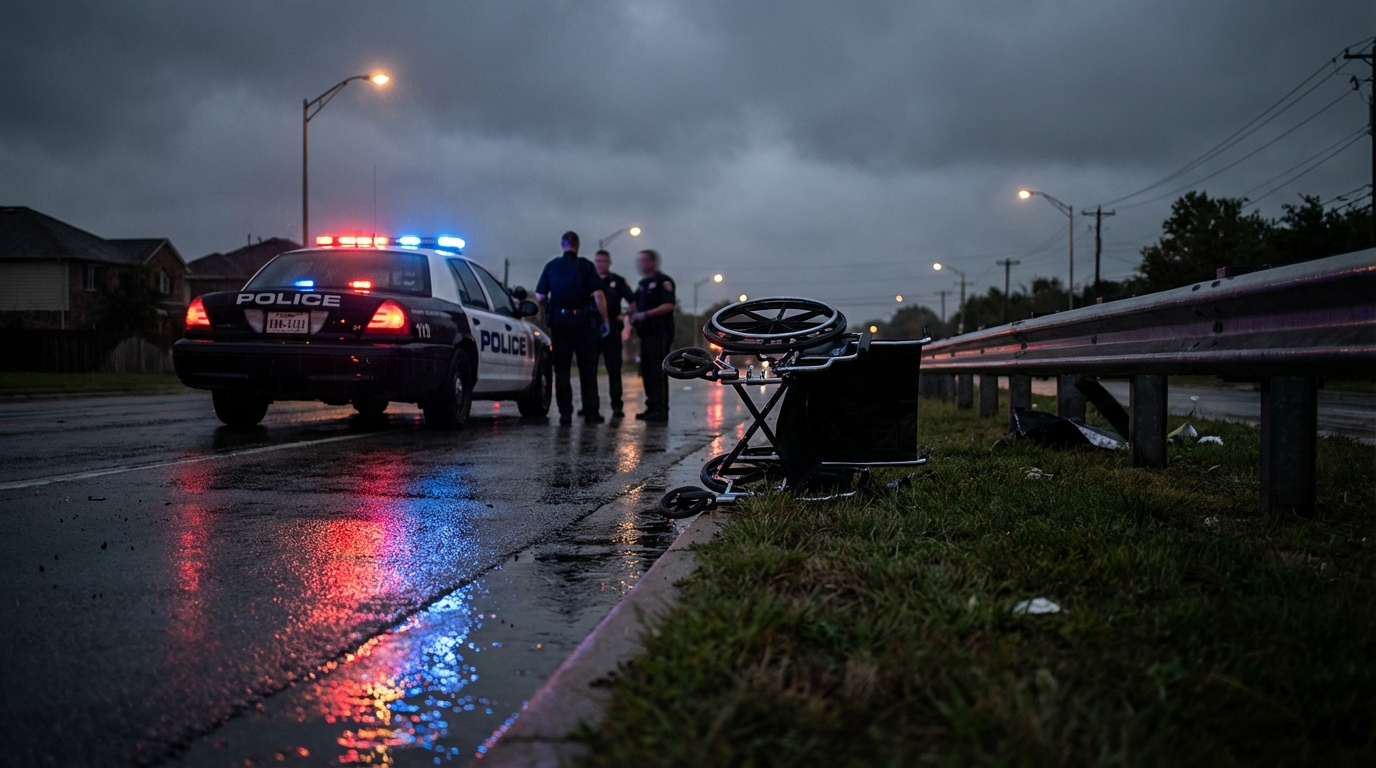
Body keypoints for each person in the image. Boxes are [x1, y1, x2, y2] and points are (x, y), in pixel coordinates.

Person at [535, 231, 609, 425]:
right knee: (587, 369)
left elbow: (540, 295)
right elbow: (598, 295)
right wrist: (605, 320)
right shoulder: (586, 266)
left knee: (562, 370)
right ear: (578, 245)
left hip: (560, 323)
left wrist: (547, 311)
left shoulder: (552, 266)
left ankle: (565, 414)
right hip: (583, 323)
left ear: (563, 245)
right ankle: (591, 412)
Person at [630, 249, 676, 422]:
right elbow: (635, 303)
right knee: (647, 371)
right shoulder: (643, 284)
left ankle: (661, 409)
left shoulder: (663, 281)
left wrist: (647, 314)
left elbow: (669, 305)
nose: (640, 264)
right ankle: (651, 407)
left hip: (660, 331)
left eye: (643, 260)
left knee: (658, 370)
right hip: (645, 333)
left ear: (652, 262)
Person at [592, 249, 636, 419]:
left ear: (609, 263)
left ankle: (617, 405)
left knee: (614, 368)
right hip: (592, 327)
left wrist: (626, 314)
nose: (601, 264)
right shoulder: (589, 279)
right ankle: (591, 407)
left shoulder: (616, 281)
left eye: (603, 261)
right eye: (598, 261)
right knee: (589, 369)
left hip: (612, 327)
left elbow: (632, 300)